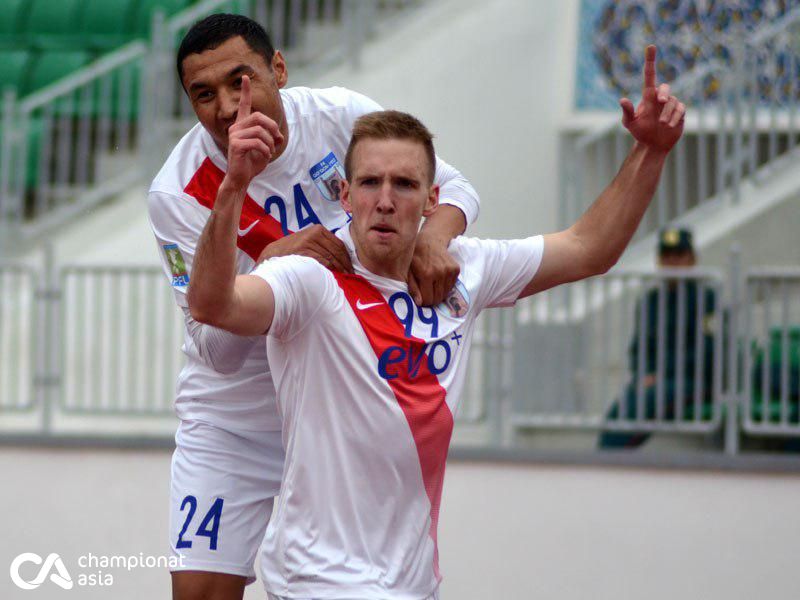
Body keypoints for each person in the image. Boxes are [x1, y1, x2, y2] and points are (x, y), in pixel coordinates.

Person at [188, 44, 685, 599]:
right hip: (316, 580)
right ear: (345, 196)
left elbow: (589, 247)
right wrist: (233, 186)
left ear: (431, 200)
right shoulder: (309, 278)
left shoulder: (465, 272)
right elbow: (214, 306)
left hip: (412, 583)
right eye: (370, 184)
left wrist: (650, 151)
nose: (384, 200)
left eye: (403, 185)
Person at [146, 13, 480, 600]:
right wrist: (273, 259)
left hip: (337, 411)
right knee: (197, 592)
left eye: (239, 80)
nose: (226, 107)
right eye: (203, 94)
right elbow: (215, 349)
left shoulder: (337, 115)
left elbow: (454, 190)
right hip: (237, 421)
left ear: (278, 69)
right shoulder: (177, 190)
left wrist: (433, 237)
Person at [598, 227, 717, 449]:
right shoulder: (651, 301)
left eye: (678, 256)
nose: (672, 262)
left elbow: (705, 353)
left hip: (693, 381)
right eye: (667, 256)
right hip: (655, 381)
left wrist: (660, 373)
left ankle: (611, 463)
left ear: (692, 260)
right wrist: (645, 374)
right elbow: (639, 348)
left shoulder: (705, 298)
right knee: (618, 411)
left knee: (644, 404)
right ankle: (606, 463)